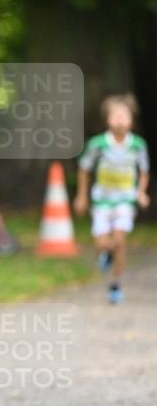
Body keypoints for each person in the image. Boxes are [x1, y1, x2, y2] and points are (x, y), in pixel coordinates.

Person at [74, 93, 150, 304]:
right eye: (114, 115)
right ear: (107, 119)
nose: (119, 120)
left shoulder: (138, 145)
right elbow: (83, 168)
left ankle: (115, 283)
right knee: (102, 243)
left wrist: (141, 192)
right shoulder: (98, 144)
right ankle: (105, 254)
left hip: (125, 200)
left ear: (131, 119)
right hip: (102, 201)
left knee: (120, 241)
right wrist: (81, 196)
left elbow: (144, 171)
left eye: (123, 115)